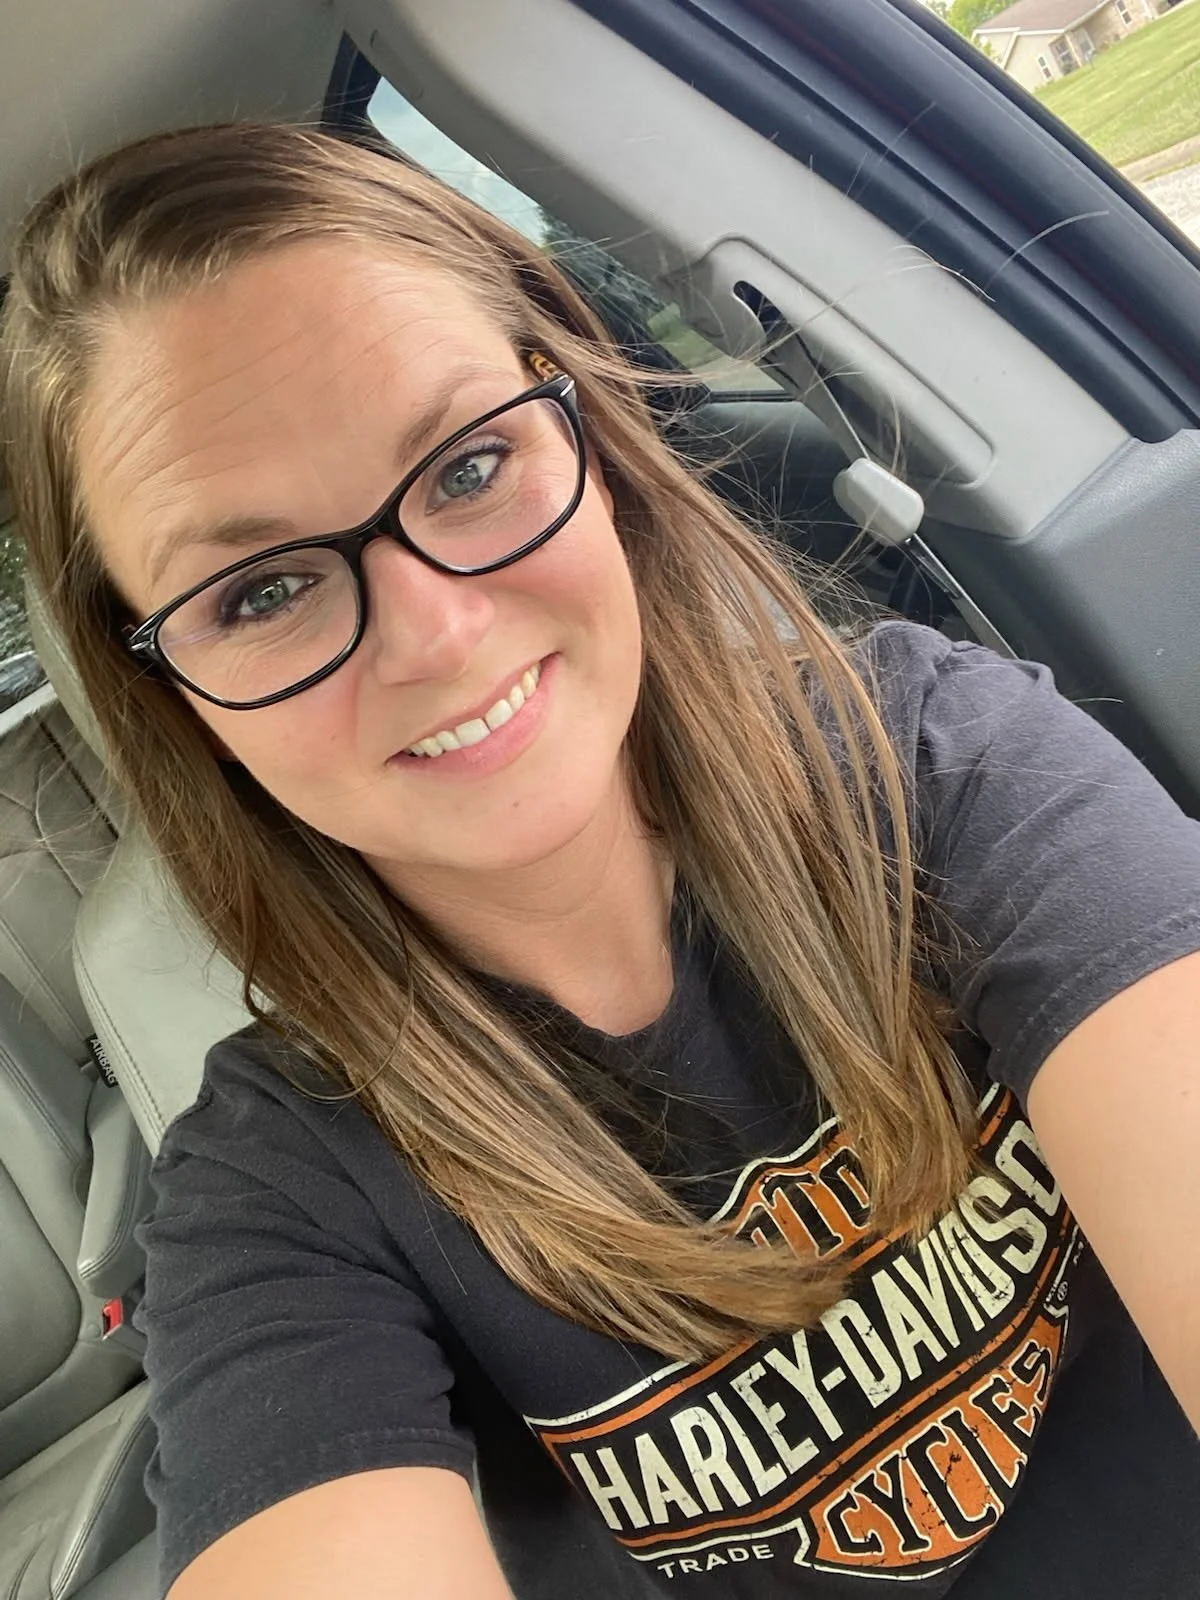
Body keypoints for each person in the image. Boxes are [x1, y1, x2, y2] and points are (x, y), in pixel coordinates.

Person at [1, 121, 1197, 1600]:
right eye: (264, 592)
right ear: (174, 696)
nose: (438, 634)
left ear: (590, 436)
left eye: (471, 464)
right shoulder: (277, 1199)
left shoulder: (942, 770)